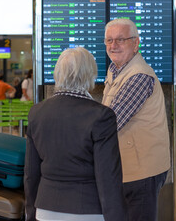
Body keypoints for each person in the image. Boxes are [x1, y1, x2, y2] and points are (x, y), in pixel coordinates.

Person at [25, 47, 128, 221]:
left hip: (46, 209)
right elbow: (108, 177)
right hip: (87, 209)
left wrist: (31, 211)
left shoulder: (37, 112)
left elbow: (31, 172)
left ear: (58, 74)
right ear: (90, 75)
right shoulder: (101, 116)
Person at [102, 18, 170, 221]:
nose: (113, 46)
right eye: (109, 40)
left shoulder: (139, 76)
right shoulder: (115, 70)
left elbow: (110, 123)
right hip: (125, 167)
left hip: (141, 172)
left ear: (136, 43)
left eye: (121, 40)